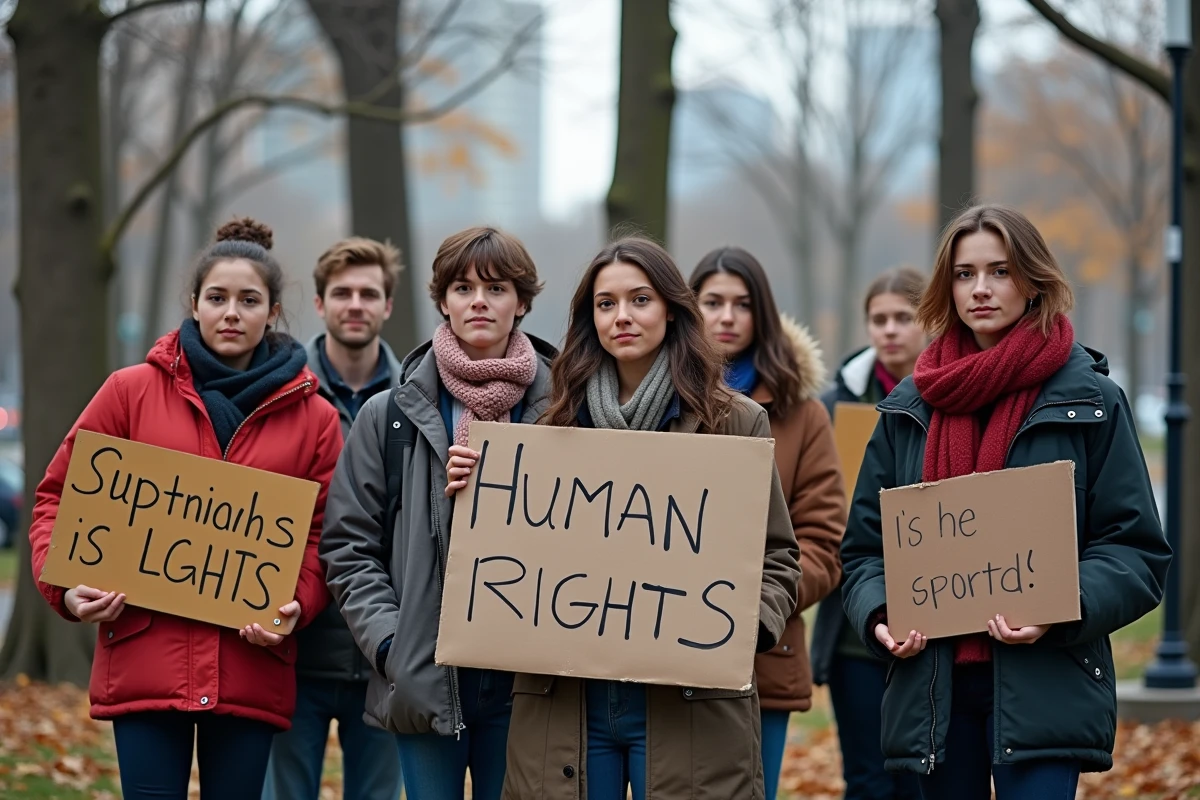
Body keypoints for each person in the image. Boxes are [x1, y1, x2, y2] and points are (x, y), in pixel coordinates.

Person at [840, 204, 1171, 800]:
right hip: (934, 693)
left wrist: (1061, 604)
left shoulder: (1091, 399)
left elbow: (1136, 550)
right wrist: (881, 612)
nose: (982, 289)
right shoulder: (908, 407)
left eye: (1000, 271)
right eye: (965, 274)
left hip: (1045, 682)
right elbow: (864, 551)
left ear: (1034, 280)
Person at [451, 236, 800, 800]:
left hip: (688, 698)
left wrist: (744, 625)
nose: (622, 317)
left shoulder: (735, 422)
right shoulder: (549, 428)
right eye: (606, 304)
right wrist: (475, 496)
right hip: (570, 702)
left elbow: (778, 556)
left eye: (639, 299)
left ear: (670, 307)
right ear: (590, 318)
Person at [28, 218, 342, 800]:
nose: (231, 312)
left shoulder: (317, 419)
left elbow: (325, 536)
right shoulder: (128, 392)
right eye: (217, 298)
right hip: (144, 654)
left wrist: (297, 602)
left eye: (249, 300)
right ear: (194, 304)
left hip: (250, 663)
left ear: (272, 311)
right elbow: (57, 497)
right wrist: (67, 588)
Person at [319, 226, 556, 800]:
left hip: (529, 681)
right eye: (463, 287)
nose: (479, 300)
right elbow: (349, 546)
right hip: (426, 673)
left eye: (496, 288)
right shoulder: (389, 415)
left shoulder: (565, 407)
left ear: (521, 302)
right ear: (442, 301)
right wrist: (390, 646)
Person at [689, 246, 845, 800]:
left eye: (742, 303)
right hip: (661, 660)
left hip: (762, 656)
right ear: (689, 308)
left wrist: (753, 606)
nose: (727, 316)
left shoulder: (804, 415)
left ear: (764, 315)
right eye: (713, 302)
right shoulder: (655, 405)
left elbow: (823, 544)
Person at [263, 237, 405, 800]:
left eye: (369, 293)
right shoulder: (275, 392)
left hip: (385, 659)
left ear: (387, 306)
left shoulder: (417, 397)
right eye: (341, 293)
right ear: (319, 305)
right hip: (292, 650)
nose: (356, 304)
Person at [809, 266, 927, 800]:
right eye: (878, 319)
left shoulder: (955, 400)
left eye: (904, 317)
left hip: (934, 620)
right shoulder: (833, 407)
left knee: (924, 780)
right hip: (855, 627)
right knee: (867, 778)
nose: (890, 330)